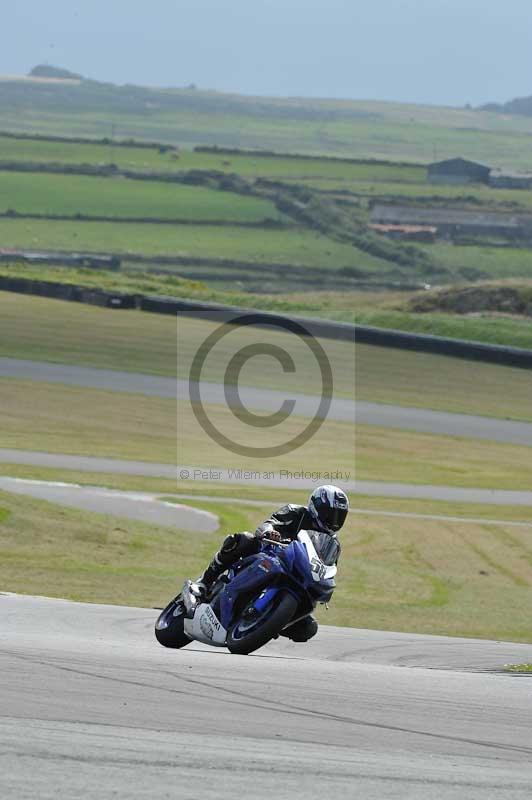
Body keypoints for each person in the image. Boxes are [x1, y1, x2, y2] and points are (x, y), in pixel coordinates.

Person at [195, 485, 349, 642]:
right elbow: (271, 522)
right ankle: (204, 581)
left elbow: (327, 568)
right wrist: (269, 531)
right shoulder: (296, 512)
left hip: (297, 577)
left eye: (339, 516)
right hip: (271, 553)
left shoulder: (332, 543)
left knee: (308, 628)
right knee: (243, 540)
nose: (333, 520)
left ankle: (265, 622)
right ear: (316, 507)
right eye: (329, 514)